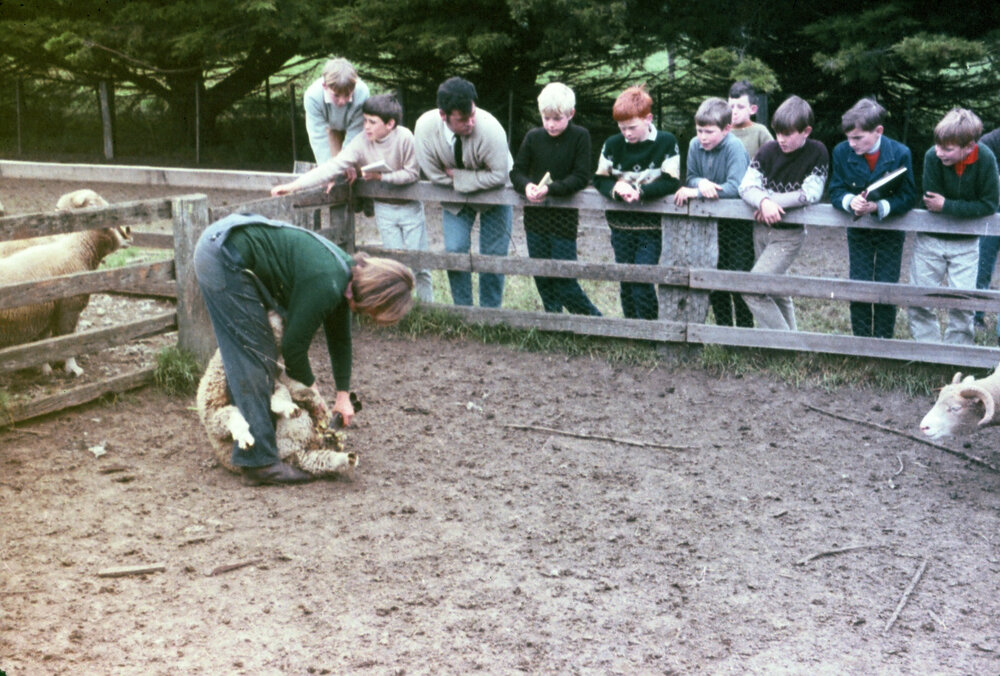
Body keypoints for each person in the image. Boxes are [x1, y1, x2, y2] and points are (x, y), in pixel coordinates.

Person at [193, 213, 414, 485]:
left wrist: (343, 395)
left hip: (226, 245)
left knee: (257, 351)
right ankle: (258, 463)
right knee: (255, 353)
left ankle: (261, 439)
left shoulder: (343, 277)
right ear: (373, 297)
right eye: (374, 313)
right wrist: (314, 394)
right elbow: (294, 348)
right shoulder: (328, 281)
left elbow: (340, 338)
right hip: (223, 256)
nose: (368, 317)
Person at [272, 94, 433, 303]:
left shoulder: (405, 138)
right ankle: (399, 309)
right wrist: (292, 187)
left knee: (420, 263)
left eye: (372, 122)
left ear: (390, 123)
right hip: (384, 208)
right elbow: (333, 166)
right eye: (365, 120)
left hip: (410, 207)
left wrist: (381, 177)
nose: (366, 126)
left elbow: (412, 173)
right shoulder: (361, 142)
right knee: (394, 263)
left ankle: (427, 307)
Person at [414, 77, 513, 308]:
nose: (470, 123)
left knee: (493, 255)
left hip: (495, 196)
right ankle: (463, 311)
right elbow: (433, 174)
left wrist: (458, 177)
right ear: (443, 115)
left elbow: (499, 175)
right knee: (455, 250)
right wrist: (470, 181)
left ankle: (490, 314)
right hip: (455, 198)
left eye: (473, 115)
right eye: (462, 119)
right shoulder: (425, 128)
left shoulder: (491, 129)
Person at [907, 108, 999, 345]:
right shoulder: (931, 157)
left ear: (969, 147)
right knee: (920, 299)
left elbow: (989, 204)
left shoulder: (986, 159)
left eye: (947, 149)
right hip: (930, 239)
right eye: (938, 146)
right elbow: (930, 200)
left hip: (967, 242)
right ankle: (927, 352)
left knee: (962, 304)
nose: (939, 153)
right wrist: (962, 207)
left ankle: (956, 356)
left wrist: (947, 205)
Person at [738, 95, 829, 331]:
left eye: (788, 134)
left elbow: (811, 192)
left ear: (806, 131)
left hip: (789, 235)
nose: (781, 140)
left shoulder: (817, 152)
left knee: (752, 289)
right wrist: (763, 201)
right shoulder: (768, 150)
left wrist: (768, 201)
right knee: (777, 290)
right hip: (761, 231)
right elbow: (746, 186)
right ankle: (792, 344)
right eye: (778, 133)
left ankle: (784, 342)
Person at [828, 98, 917, 339]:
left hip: (890, 230)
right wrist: (850, 201)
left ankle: (883, 341)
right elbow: (835, 189)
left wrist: (879, 206)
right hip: (859, 232)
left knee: (887, 283)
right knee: (859, 281)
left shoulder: (900, 153)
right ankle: (861, 340)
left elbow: (909, 196)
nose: (851, 143)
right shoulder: (840, 152)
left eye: (858, 138)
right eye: (848, 137)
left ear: (878, 131)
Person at [509, 82, 601, 316]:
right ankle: (553, 320)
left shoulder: (580, 137)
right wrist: (527, 185)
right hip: (535, 218)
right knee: (541, 274)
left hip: (564, 218)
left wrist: (551, 189)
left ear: (571, 114)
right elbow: (516, 171)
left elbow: (581, 176)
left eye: (557, 118)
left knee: (564, 278)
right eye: (546, 118)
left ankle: (592, 320)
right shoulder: (533, 137)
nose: (550, 124)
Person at [593, 85, 680, 320]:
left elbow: (672, 181)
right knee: (625, 278)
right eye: (622, 128)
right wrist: (616, 187)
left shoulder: (666, 142)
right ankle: (630, 326)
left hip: (651, 226)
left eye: (632, 127)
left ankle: (649, 328)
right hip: (619, 225)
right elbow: (599, 178)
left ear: (648, 119)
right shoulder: (612, 145)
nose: (627, 134)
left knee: (642, 278)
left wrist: (641, 192)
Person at [673, 97, 751, 327]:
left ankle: (745, 334)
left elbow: (735, 188)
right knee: (714, 280)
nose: (703, 137)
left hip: (737, 227)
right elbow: (691, 177)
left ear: (727, 129)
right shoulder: (695, 145)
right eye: (699, 130)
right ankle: (723, 332)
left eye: (709, 132)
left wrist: (698, 192)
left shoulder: (734, 147)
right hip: (709, 226)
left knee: (738, 280)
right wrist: (701, 183)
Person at [718, 80, 775, 327]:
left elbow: (775, 166)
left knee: (742, 269)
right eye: (730, 106)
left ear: (752, 108)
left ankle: (744, 328)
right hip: (720, 212)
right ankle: (722, 327)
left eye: (739, 106)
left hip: (748, 215)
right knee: (718, 269)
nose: (734, 111)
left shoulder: (761, 133)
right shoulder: (720, 131)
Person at [303, 58, 370, 165]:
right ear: (325, 86)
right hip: (330, 129)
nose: (342, 101)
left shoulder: (362, 93)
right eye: (336, 95)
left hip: (354, 130)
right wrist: (327, 171)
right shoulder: (312, 97)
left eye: (347, 95)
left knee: (354, 166)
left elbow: (355, 133)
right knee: (332, 166)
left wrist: (348, 164)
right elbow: (319, 138)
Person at [969, 128, 1000, 332]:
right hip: (992, 211)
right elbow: (979, 165)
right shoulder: (992, 140)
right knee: (982, 264)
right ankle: (976, 317)